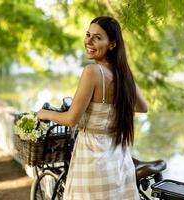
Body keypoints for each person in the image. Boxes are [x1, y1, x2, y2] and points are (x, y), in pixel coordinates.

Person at [37, 16, 147, 200]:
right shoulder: (122, 73)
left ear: (112, 44)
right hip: (117, 157)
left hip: (93, 157)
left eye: (97, 37)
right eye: (88, 35)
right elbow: (142, 107)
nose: (88, 41)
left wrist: (45, 114)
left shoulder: (93, 72)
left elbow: (71, 119)